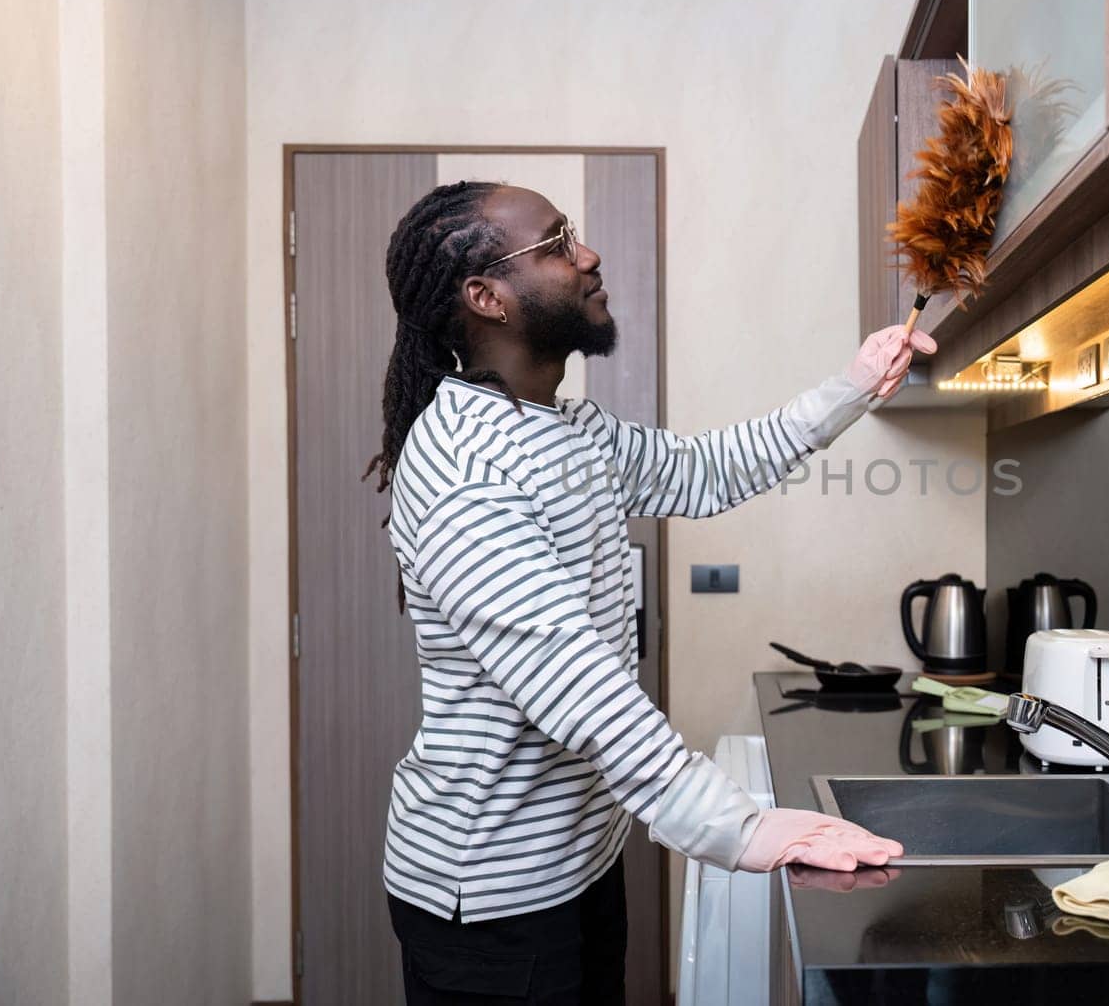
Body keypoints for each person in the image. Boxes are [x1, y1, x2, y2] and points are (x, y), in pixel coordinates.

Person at [364, 181, 931, 1004]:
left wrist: (852, 384)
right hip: (489, 895)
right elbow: (577, 684)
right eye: (555, 245)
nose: (587, 256)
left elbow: (704, 469)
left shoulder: (566, 428)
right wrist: (740, 829)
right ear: (486, 297)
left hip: (580, 861)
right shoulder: (463, 467)